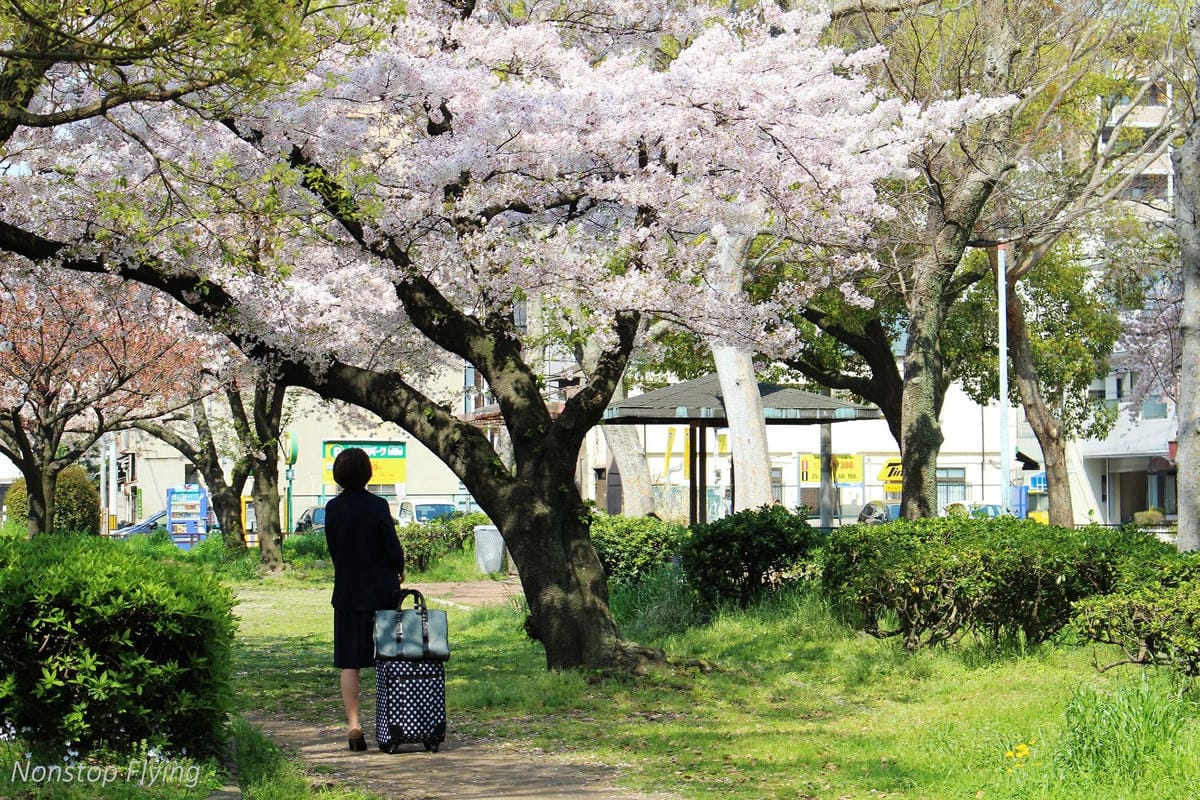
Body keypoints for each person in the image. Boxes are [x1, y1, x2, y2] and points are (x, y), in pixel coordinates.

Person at [324, 446, 405, 752]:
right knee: (390, 658)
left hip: (347, 593)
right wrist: (398, 567)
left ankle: (354, 726)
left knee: (350, 663)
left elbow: (334, 548)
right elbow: (391, 545)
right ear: (368, 472)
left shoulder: (332, 508)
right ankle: (395, 722)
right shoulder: (378, 506)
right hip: (381, 591)